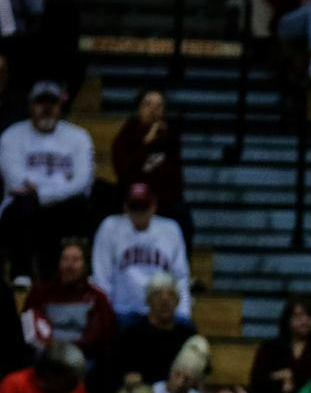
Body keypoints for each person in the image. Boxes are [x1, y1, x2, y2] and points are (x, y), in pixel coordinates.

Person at [0, 80, 94, 279]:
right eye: (41, 103)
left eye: (52, 103)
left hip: (63, 205)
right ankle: (21, 274)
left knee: (83, 208)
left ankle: (79, 275)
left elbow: (82, 181)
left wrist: (41, 192)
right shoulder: (12, 135)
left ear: (60, 106)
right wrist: (60, 187)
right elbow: (15, 179)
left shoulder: (78, 136)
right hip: (25, 206)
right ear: (30, 106)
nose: (47, 109)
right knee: (22, 207)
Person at [94, 184, 192, 330]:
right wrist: (106, 315)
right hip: (123, 312)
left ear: (153, 207)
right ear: (125, 208)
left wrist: (183, 313)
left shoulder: (170, 229)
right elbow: (102, 277)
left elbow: (180, 276)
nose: (139, 212)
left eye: (144, 206)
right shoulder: (110, 227)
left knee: (187, 328)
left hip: (161, 312)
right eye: (134, 207)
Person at [110, 89, 188, 237]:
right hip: (133, 198)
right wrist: (146, 143)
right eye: (148, 105)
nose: (153, 111)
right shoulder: (127, 135)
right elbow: (124, 173)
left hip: (162, 202)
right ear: (138, 109)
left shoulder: (169, 138)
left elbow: (176, 181)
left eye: (159, 106)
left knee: (182, 215)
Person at [24, 239, 116, 363]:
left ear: (86, 266)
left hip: (82, 358)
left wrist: (70, 352)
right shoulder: (40, 294)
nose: (69, 265)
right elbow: (30, 327)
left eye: (75, 260)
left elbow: (101, 337)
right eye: (65, 259)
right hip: (46, 356)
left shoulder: (97, 298)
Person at [247, 296, 311, 393]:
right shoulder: (270, 347)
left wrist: (292, 377)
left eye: (309, 316)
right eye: (298, 316)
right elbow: (257, 380)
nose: (304, 321)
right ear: (287, 319)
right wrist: (279, 379)